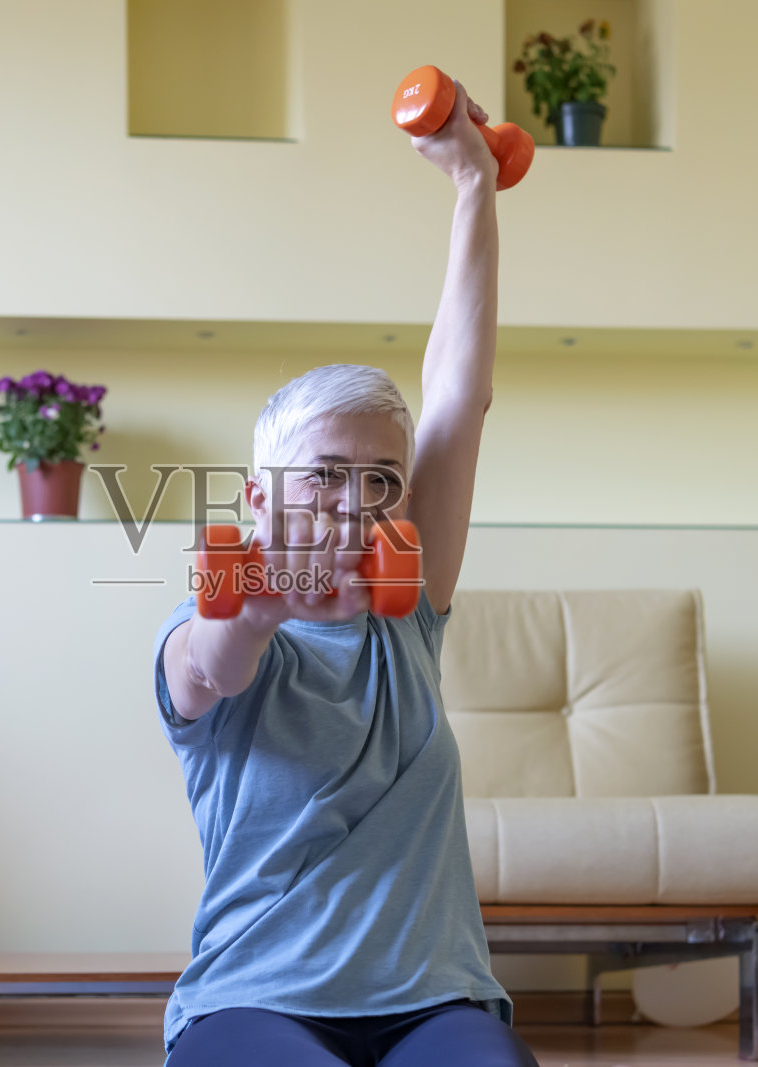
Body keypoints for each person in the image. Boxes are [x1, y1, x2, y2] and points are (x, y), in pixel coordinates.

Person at [151, 79, 537, 1067]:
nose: (357, 500)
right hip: (254, 995)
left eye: (381, 479)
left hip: (433, 998)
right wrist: (257, 608)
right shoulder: (206, 642)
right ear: (256, 498)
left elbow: (459, 394)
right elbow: (214, 664)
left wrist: (471, 186)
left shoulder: (410, 617)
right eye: (324, 474)